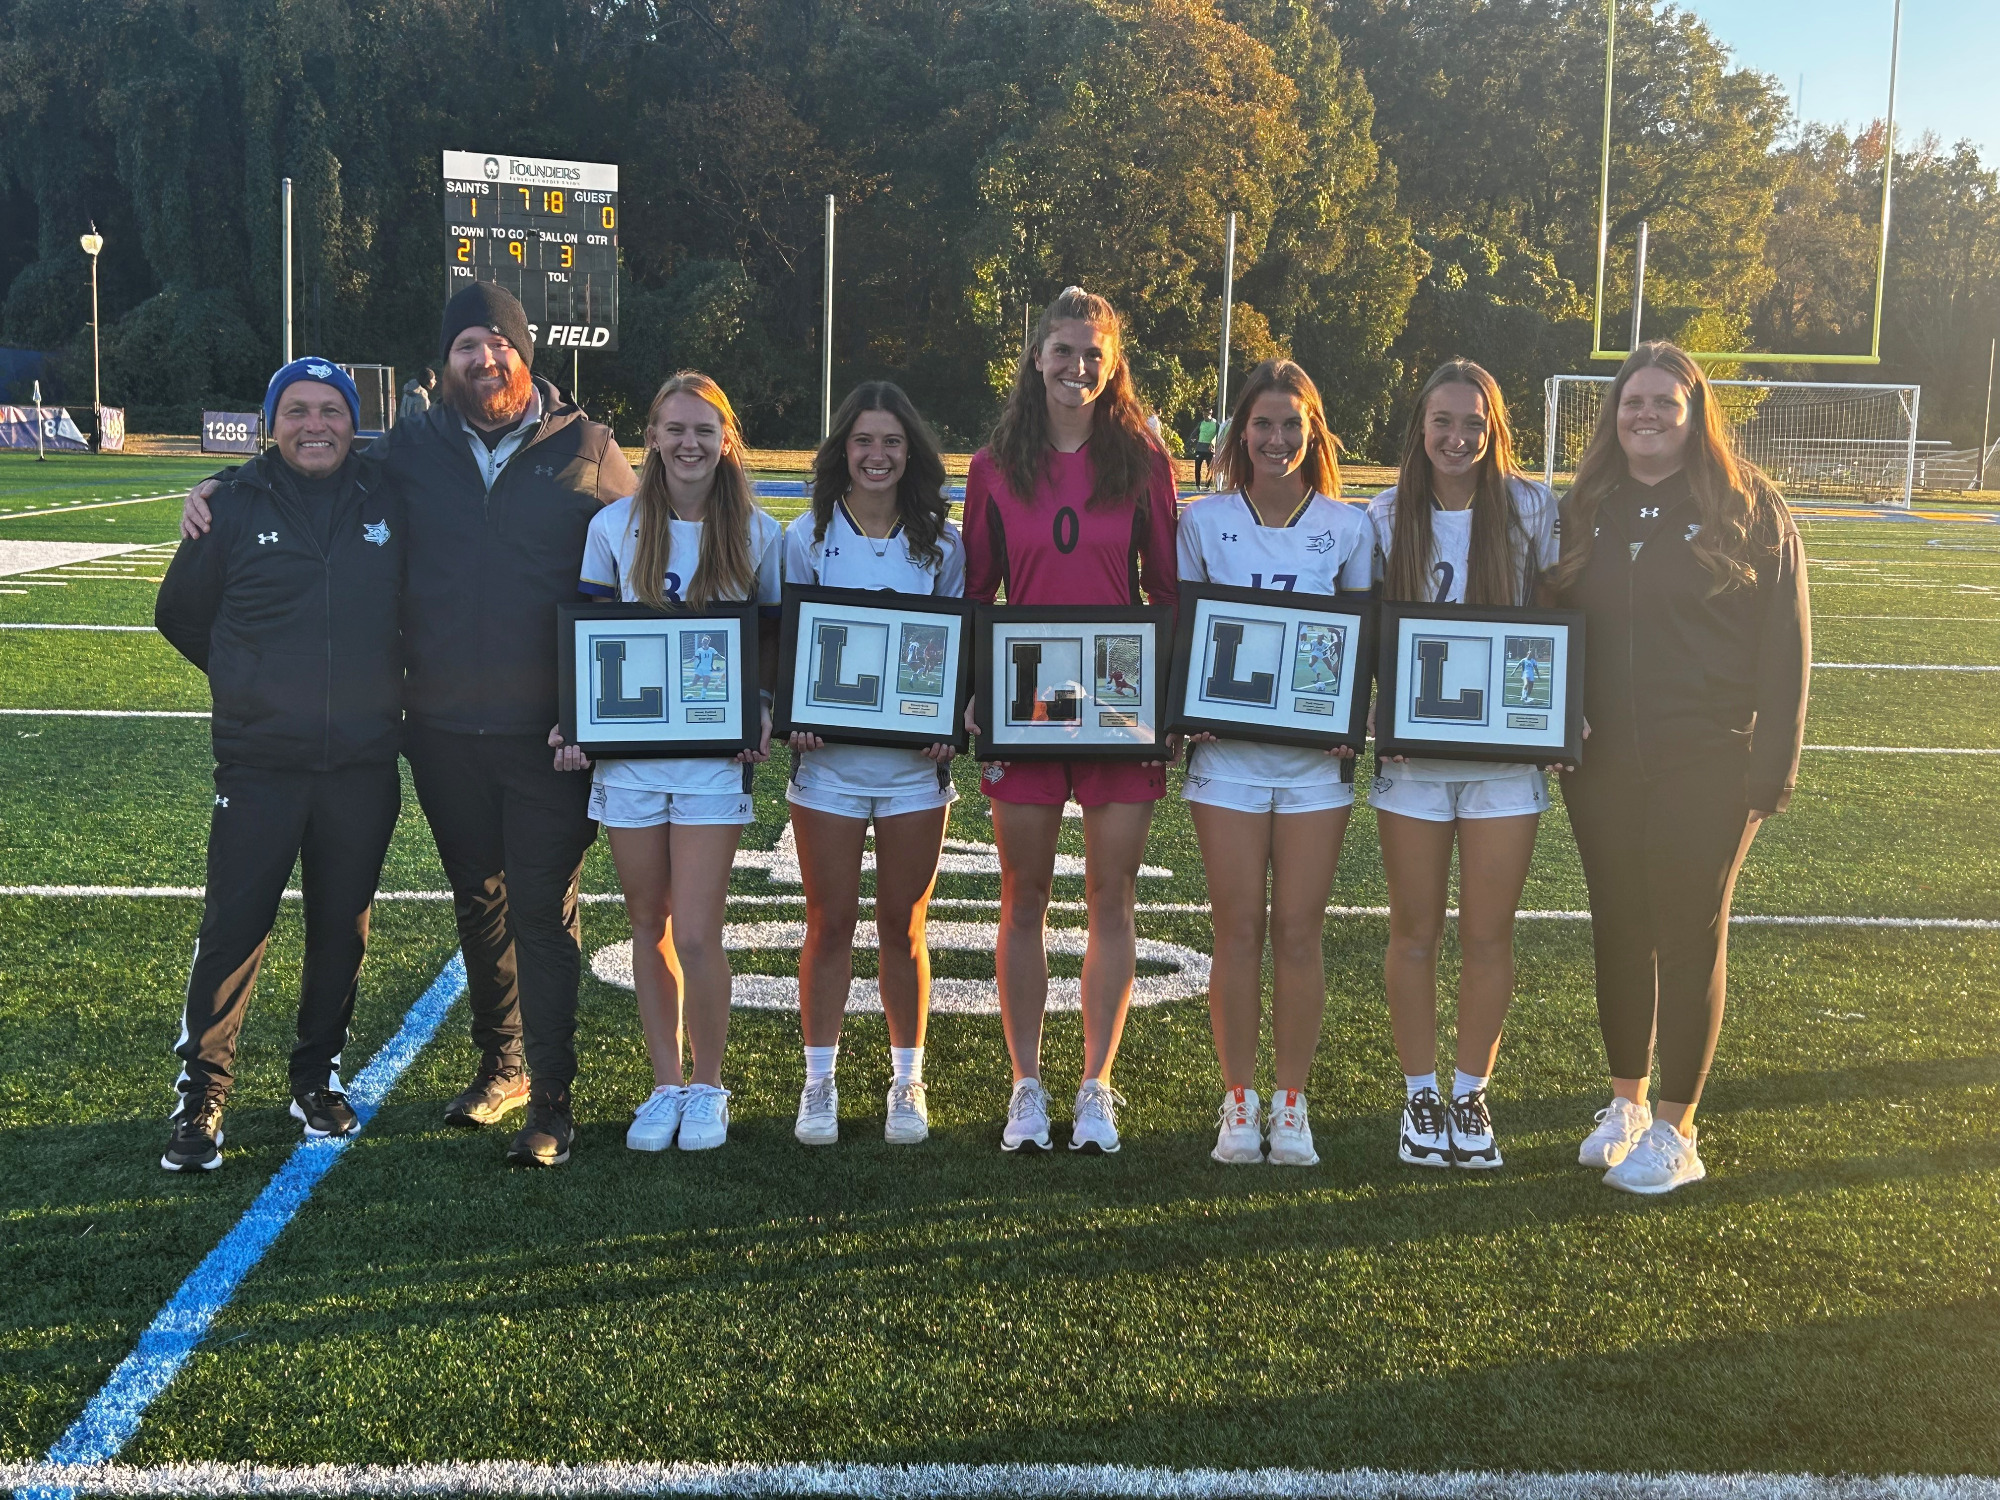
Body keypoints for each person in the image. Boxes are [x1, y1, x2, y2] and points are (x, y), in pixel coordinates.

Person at [181, 283, 639, 1169]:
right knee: (480, 898)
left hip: (550, 735)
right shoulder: (408, 448)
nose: (485, 360)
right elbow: (310, 457)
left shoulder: (589, 448)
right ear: (446, 361)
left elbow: (644, 549)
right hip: (440, 730)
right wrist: (218, 487)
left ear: (526, 355)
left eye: (499, 344)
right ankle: (502, 1064)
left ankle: (553, 1099)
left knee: (542, 908)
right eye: (468, 346)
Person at [1550, 341, 1809, 1195]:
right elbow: (1551, 625)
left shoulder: (1747, 505)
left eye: (1665, 401)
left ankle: (1677, 1127)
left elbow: (1787, 646)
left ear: (1696, 414)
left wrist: (1771, 770)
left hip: (1709, 756)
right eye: (1634, 402)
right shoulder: (1587, 505)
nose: (1648, 415)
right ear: (1613, 414)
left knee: (1689, 930)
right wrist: (1556, 713)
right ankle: (1626, 1103)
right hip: (1603, 760)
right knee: (1619, 923)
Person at [154, 359, 404, 1170]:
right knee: (235, 925)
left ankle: (315, 1077)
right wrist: (250, 682)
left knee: (341, 926)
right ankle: (202, 1092)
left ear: (354, 422)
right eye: (297, 410)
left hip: (362, 761)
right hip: (260, 762)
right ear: (272, 422)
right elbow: (178, 614)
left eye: (331, 410)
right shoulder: (231, 503)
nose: (315, 425)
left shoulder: (389, 496)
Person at [962, 286, 1179, 1154]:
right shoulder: (992, 466)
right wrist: (972, 688)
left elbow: (1165, 592)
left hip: (1117, 700)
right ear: (1036, 356)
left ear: (1113, 362)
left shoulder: (1144, 461)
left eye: (1094, 353)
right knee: (1025, 897)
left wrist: (1168, 697)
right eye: (1064, 350)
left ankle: (1096, 1084)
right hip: (1026, 701)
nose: (1078, 367)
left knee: (1110, 898)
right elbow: (977, 592)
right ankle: (1026, 1084)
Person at [555, 372, 781, 1154]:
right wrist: (579, 722)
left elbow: (771, 646)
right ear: (650, 436)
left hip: (713, 764)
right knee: (647, 922)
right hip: (631, 761)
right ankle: (665, 1083)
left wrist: (761, 708)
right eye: (675, 429)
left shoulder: (759, 532)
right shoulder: (613, 526)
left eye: (704, 431)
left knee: (697, 932)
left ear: (726, 440)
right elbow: (591, 641)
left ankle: (709, 1086)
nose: (689, 444)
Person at [1178, 360, 1373, 1167]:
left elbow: (1361, 643)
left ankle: (1291, 1100)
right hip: (1227, 760)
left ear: (1314, 432)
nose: (1277, 438)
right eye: (1262, 423)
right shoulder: (1202, 521)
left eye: (1293, 424)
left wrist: (1350, 718)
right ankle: (1238, 1098)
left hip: (1311, 766)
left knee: (1298, 932)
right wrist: (1187, 709)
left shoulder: (1349, 526)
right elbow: (1185, 636)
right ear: (1239, 431)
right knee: (1236, 931)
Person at [1368, 359, 1558, 1172]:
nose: (1457, 437)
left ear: (1495, 429)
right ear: (1421, 426)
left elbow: (1554, 620)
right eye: (1443, 421)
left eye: (1473, 423)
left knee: (1487, 934)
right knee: (1414, 932)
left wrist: (1558, 713)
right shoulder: (1384, 516)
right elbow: (1366, 632)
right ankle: (1419, 1093)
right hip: (1415, 761)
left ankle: (1471, 1090)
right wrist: (1370, 711)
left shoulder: (1531, 507)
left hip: (1502, 762)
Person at [781, 381, 962, 1147]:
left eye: (891, 441)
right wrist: (795, 713)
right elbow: (787, 645)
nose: (877, 455)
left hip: (912, 772)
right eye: (863, 440)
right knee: (828, 924)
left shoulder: (944, 543)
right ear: (842, 450)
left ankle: (906, 1079)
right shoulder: (808, 536)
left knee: (903, 927)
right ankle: (818, 1079)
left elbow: (957, 649)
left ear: (910, 451)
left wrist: (950, 718)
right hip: (829, 770)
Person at [1193, 413, 1218, 488]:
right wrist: (1192, 440)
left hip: (1209, 449)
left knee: (1210, 468)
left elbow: (1219, 434)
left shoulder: (1215, 424)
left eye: (1206, 415)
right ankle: (1198, 485)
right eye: (1204, 415)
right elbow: (1195, 433)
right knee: (1197, 467)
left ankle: (1207, 485)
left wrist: (1215, 444)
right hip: (1200, 448)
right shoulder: (1201, 423)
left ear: (1210, 414)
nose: (1205, 416)